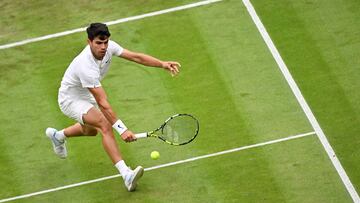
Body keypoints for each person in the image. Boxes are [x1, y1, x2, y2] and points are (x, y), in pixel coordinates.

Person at [45, 22, 180, 192]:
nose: (103, 47)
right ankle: (126, 175)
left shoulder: (109, 47)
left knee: (90, 130)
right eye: (98, 43)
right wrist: (122, 129)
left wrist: (162, 64)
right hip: (70, 99)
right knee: (104, 125)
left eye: (105, 42)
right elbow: (102, 102)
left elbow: (136, 57)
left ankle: (58, 136)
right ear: (89, 42)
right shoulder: (85, 65)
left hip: (85, 94)